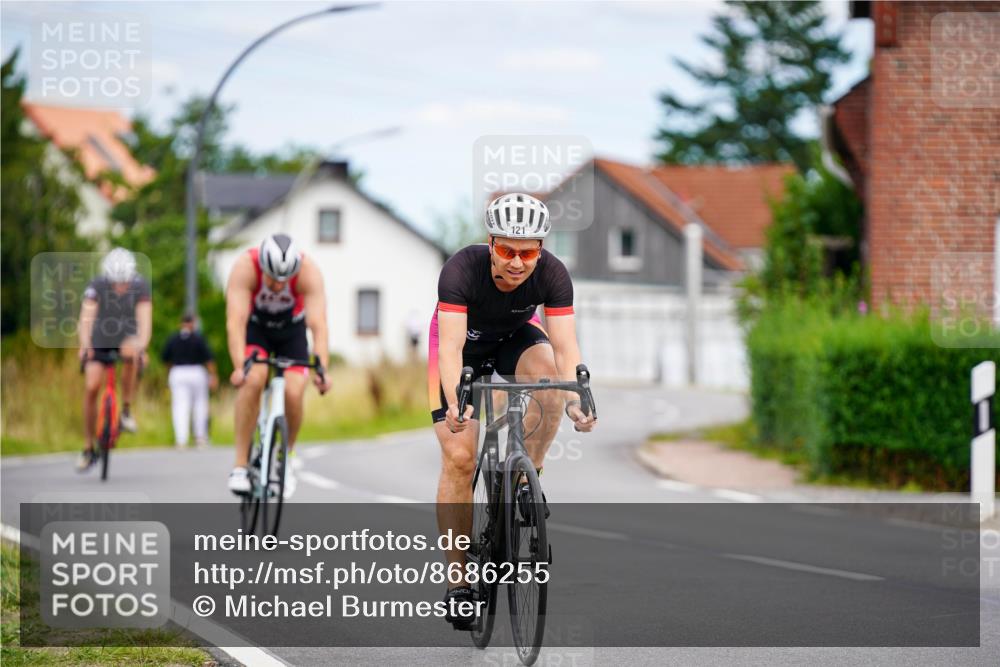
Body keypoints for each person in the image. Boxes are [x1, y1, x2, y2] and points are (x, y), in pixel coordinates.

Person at [429, 193, 597, 629]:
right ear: (490, 243)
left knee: (551, 387)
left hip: (514, 339)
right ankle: (459, 581)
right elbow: (449, 348)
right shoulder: (460, 270)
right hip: (461, 347)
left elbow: (565, 347)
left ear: (541, 248)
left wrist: (579, 398)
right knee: (460, 456)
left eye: (528, 252)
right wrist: (456, 404)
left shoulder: (554, 274)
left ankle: (527, 477)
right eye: (507, 251)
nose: (518, 262)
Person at [225, 233, 331, 499]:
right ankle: (240, 465)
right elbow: (235, 322)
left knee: (294, 391)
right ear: (262, 266)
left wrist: (322, 370)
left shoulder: (309, 272)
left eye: (283, 280)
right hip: (256, 330)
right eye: (272, 277)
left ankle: (287, 454)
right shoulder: (245, 267)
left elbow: (319, 326)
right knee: (254, 379)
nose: (276, 285)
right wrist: (239, 366)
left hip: (291, 333)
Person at [76, 247, 152, 471]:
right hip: (101, 335)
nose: (121, 287)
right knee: (91, 386)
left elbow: (145, 322)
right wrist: (85, 345)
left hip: (127, 334)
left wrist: (142, 347)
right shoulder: (97, 285)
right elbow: (86, 318)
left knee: (132, 354)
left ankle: (126, 410)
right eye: (116, 283)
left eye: (124, 282)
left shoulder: (140, 286)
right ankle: (88, 447)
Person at [161, 313, 218, 449]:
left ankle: (181, 439)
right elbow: (209, 359)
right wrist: (213, 375)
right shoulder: (198, 338)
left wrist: (169, 374)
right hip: (197, 372)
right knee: (200, 405)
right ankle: (200, 437)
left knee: (180, 406)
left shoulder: (173, 339)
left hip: (178, 372)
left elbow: (166, 359)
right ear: (193, 323)